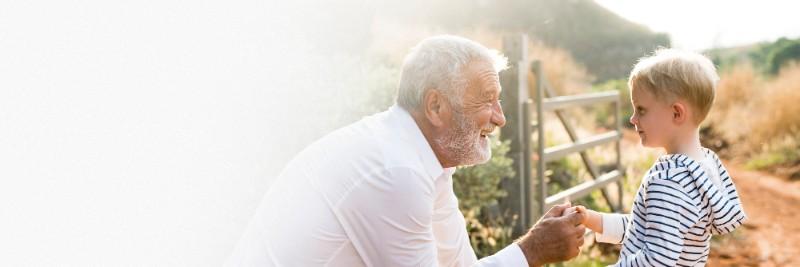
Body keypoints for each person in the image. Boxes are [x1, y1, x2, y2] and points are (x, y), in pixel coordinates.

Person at [225, 35, 586, 267]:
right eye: (487, 101)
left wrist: (530, 250)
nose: (500, 118)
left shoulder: (423, 161)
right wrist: (531, 251)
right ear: (436, 107)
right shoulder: (395, 171)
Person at [568, 49, 747, 266]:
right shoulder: (704, 167)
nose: (633, 119)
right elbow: (645, 230)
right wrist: (591, 220)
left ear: (676, 113)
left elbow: (656, 260)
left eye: (641, 110)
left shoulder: (668, 181)